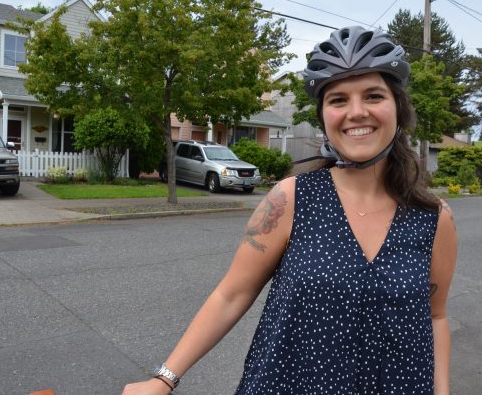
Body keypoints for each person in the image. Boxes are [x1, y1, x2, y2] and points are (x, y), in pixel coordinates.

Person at [122, 26, 458, 395]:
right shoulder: (291, 199)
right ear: (324, 116)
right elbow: (232, 294)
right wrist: (164, 378)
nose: (356, 112)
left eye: (373, 95)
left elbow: (436, 316)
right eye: (338, 100)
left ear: (398, 107)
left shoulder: (433, 218)